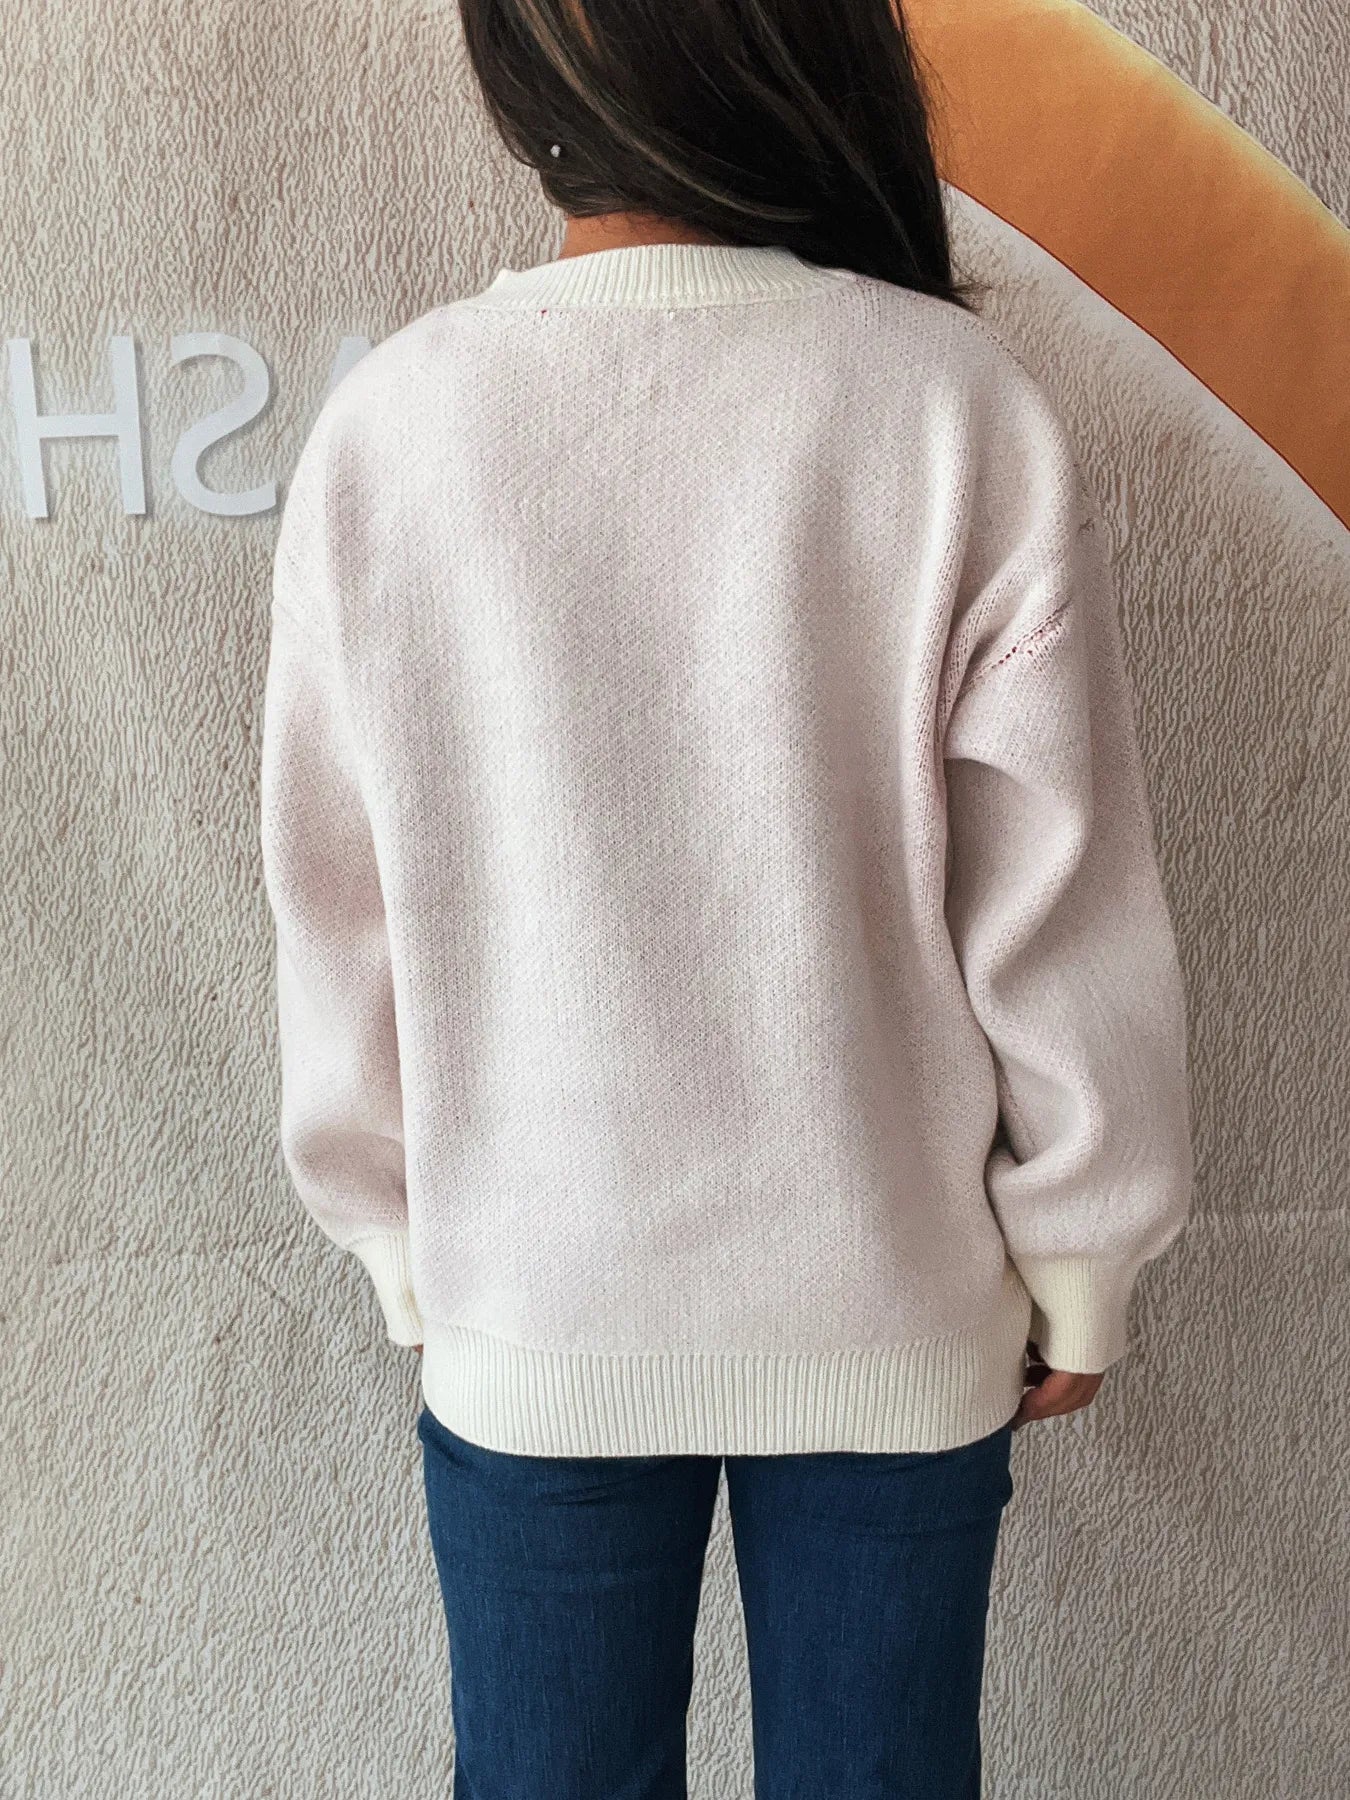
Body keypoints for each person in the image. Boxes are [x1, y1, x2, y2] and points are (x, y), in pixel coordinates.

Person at [257, 1, 1194, 1794]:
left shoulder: (397, 426)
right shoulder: (945, 404)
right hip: (890, 1303)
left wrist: (390, 1230)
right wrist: (1081, 1248)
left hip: (533, 1297)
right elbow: (1050, 887)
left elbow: (337, 900)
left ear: (517, 76)